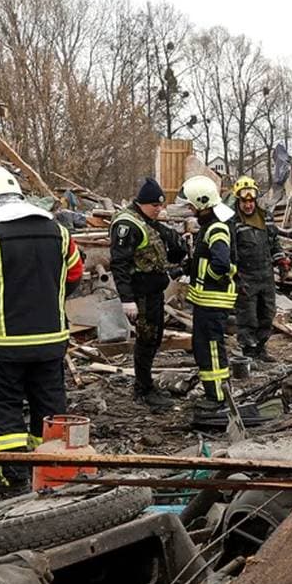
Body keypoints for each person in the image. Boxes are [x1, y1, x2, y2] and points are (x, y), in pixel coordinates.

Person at [0, 167, 82, 488]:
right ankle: (49, 471)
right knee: (49, 406)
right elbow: (74, 276)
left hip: (2, 344)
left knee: (2, 406)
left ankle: (12, 476)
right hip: (51, 341)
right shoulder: (59, 232)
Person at [111, 178, 188, 407]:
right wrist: (127, 299)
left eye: (161, 205)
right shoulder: (127, 225)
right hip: (141, 293)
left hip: (153, 291)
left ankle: (146, 385)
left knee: (154, 338)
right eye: (155, 205)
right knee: (146, 340)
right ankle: (143, 389)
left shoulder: (146, 220)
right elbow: (119, 264)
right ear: (142, 203)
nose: (159, 209)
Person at [180, 174, 237, 425]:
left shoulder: (217, 228)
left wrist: (210, 280)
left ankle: (218, 397)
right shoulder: (210, 226)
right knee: (203, 346)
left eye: (192, 205)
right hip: (206, 300)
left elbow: (221, 264)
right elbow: (205, 259)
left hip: (213, 300)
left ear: (202, 203)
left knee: (212, 348)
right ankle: (213, 392)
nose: (190, 209)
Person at [229, 175, 284, 363]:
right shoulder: (232, 221)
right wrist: (236, 278)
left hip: (266, 276)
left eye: (251, 201)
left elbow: (274, 242)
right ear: (238, 201)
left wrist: (281, 259)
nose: (248, 205)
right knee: (247, 317)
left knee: (267, 314)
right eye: (244, 202)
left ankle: (261, 348)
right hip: (245, 277)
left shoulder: (265, 217)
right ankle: (249, 352)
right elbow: (231, 253)